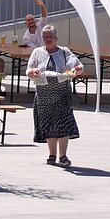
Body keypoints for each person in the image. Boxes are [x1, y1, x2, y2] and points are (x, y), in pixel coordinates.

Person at [27, 24, 83, 167]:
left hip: (62, 93)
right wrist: (33, 72)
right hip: (44, 95)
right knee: (49, 126)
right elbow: (28, 70)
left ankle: (63, 156)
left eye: (51, 36)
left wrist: (75, 71)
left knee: (63, 125)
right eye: (45, 37)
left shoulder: (64, 51)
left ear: (56, 37)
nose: (48, 39)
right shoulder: (37, 52)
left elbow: (79, 67)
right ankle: (52, 155)